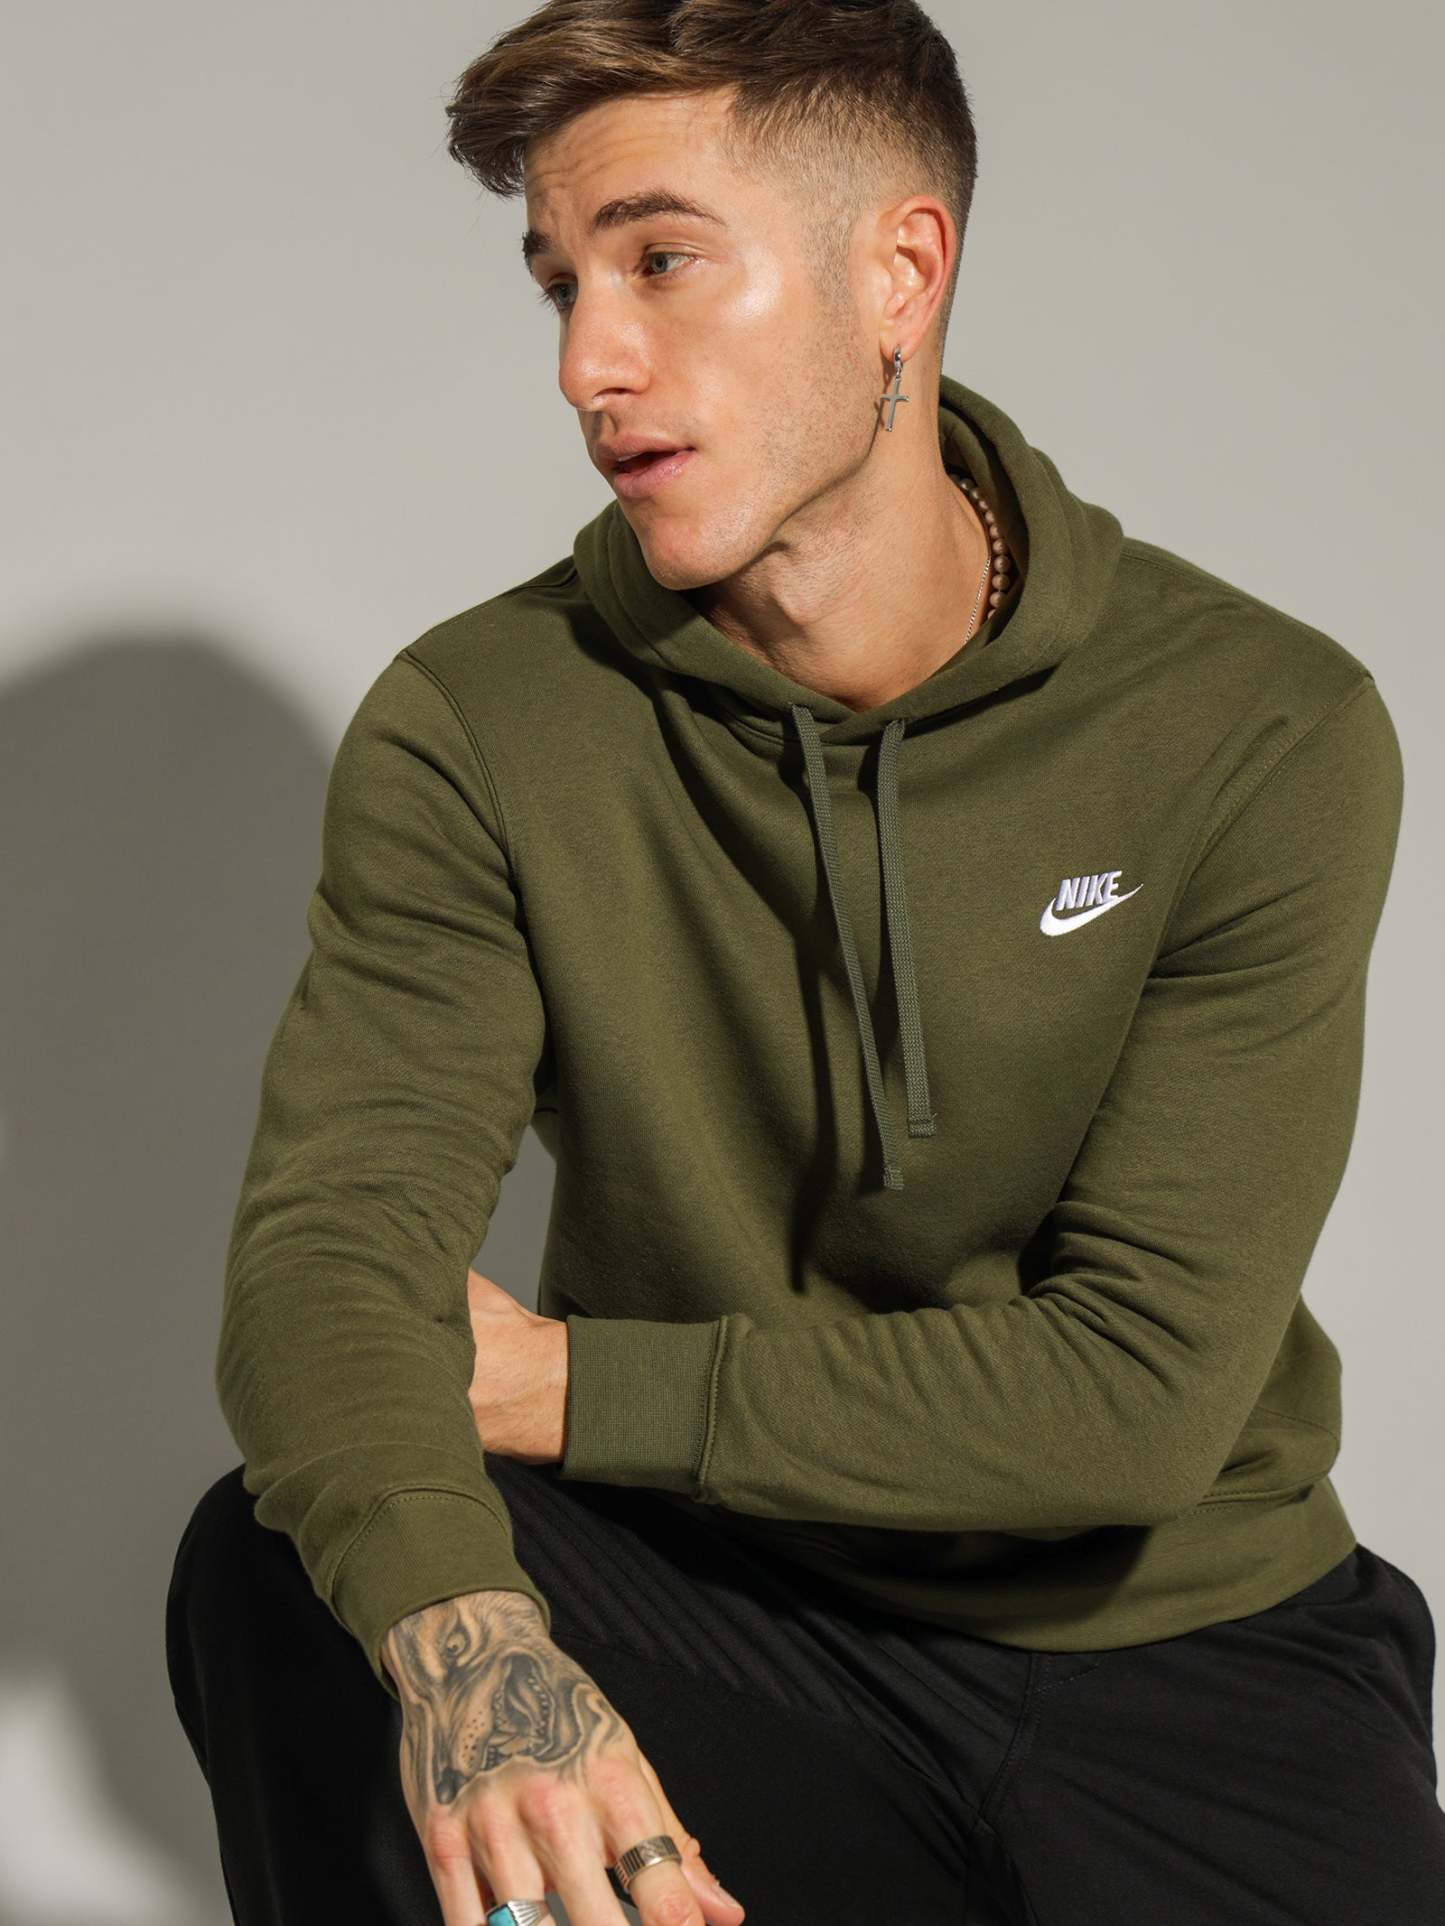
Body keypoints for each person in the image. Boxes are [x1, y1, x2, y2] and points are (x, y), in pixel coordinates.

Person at [165, 2, 1445, 1922]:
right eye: (560, 285)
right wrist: (469, 1650)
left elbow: (1132, 1392)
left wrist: (565, 1386)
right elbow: (328, 1267)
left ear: (898, 273)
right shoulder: (480, 722)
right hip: (721, 1602)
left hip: (1187, 1643)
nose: (590, 362)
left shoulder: (1255, 725)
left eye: (662, 261)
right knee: (283, 1571)